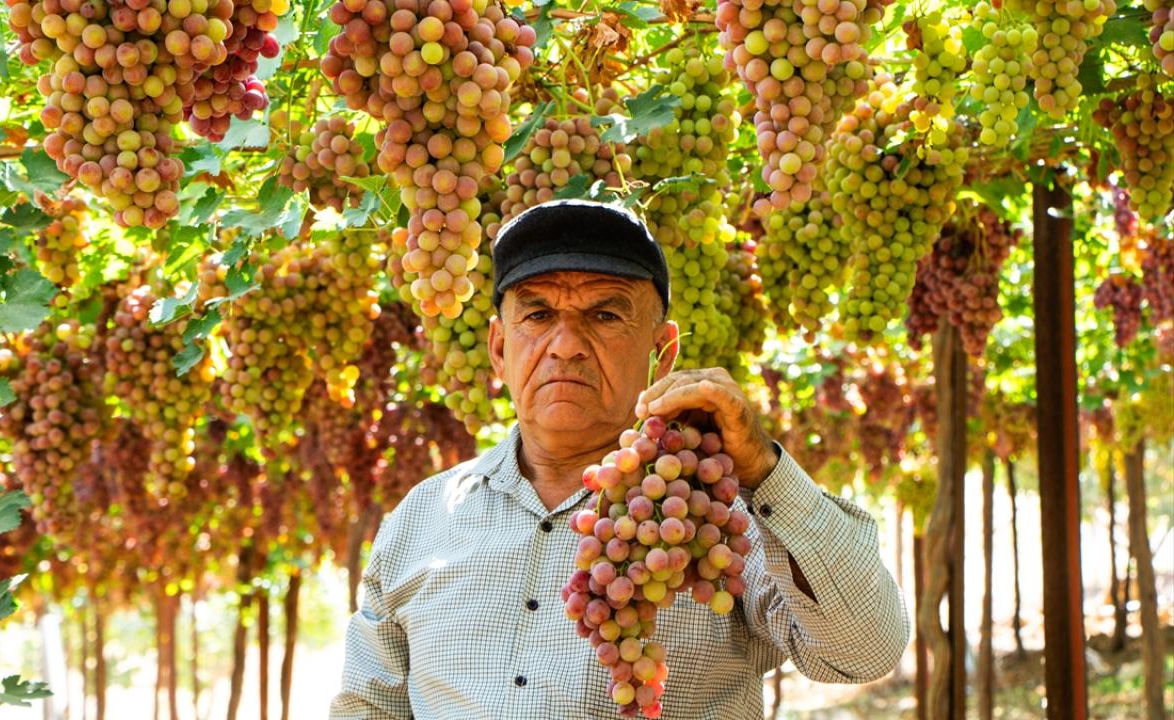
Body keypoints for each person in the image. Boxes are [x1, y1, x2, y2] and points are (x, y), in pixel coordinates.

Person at [330, 199, 910, 719]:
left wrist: (763, 468)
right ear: (499, 349)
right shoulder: (422, 519)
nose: (566, 346)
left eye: (605, 316)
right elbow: (367, 708)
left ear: (664, 352)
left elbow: (865, 650)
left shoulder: (717, 520)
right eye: (538, 315)